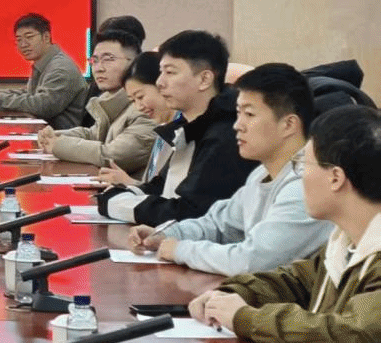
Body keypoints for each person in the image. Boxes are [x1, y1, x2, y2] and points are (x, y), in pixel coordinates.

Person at [189, 105, 381, 343]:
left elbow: (355, 335)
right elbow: (295, 281)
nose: (300, 177)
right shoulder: (344, 241)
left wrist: (245, 318)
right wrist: (231, 294)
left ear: (336, 178)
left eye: (304, 165)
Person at [129, 63, 332, 275]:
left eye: (249, 114)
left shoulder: (306, 184)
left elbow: (252, 261)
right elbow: (218, 225)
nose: (237, 125)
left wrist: (180, 250)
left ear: (289, 124)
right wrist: (167, 234)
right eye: (238, 113)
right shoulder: (261, 174)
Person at [97, 30, 256, 225]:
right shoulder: (188, 126)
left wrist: (116, 204)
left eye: (170, 72)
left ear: (204, 79)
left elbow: (190, 212)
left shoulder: (226, 134)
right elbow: (161, 188)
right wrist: (121, 194)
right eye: (161, 72)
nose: (160, 82)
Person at [37, 28, 155, 173]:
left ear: (134, 63)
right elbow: (93, 135)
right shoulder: (111, 102)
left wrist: (58, 145)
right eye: (95, 60)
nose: (98, 68)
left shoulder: (145, 108)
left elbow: (113, 156)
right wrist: (54, 136)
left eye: (108, 59)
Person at [0, 13, 88, 129]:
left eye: (29, 37)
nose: (23, 44)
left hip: (62, 136)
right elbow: (30, 94)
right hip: (46, 133)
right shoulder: (45, 63)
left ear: (46, 37)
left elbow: (43, 106)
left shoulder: (61, 68)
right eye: (19, 39)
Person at [98, 51, 177, 185]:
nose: (139, 107)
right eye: (133, 100)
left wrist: (129, 183)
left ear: (161, 85)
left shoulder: (183, 130)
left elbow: (169, 194)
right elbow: (154, 188)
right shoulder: (164, 129)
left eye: (140, 97)